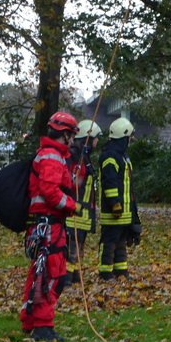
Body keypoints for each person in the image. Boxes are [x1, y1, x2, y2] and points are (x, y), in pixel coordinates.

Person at [20, 111, 80, 341]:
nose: (73, 141)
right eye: (72, 136)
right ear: (64, 135)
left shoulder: (50, 155)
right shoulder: (52, 157)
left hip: (42, 225)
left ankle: (30, 320)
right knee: (51, 273)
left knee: (38, 273)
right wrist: (73, 206)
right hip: (48, 226)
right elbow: (50, 192)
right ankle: (43, 326)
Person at [99, 118, 141, 277]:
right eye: (129, 138)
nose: (130, 141)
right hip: (113, 212)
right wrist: (114, 203)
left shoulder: (122, 156)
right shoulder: (110, 157)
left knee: (121, 243)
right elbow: (110, 182)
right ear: (124, 137)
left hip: (125, 212)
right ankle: (105, 273)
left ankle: (121, 271)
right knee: (109, 243)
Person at [65, 120, 102, 285]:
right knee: (72, 250)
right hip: (74, 213)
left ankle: (75, 279)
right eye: (95, 137)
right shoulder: (75, 158)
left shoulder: (84, 158)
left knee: (79, 249)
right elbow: (71, 183)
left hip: (83, 214)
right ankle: (66, 281)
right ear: (88, 137)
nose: (97, 141)